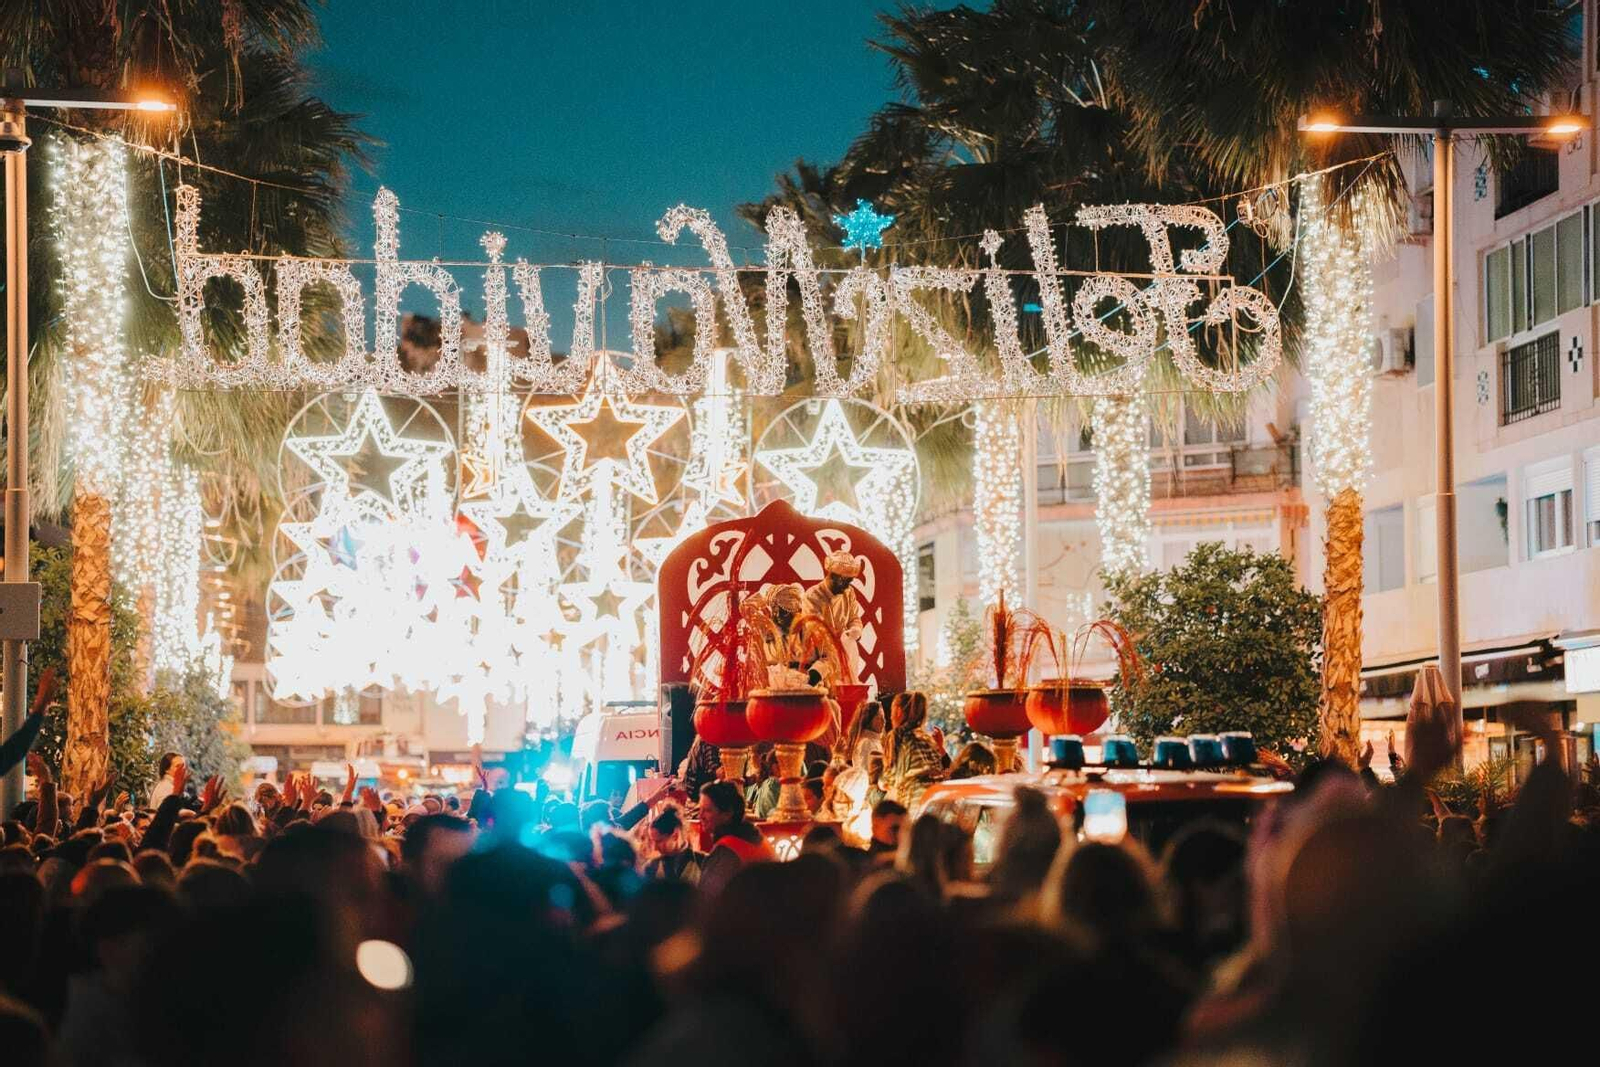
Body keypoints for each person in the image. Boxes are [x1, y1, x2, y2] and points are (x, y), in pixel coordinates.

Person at [696, 780, 772, 897]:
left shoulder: (728, 851)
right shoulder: (752, 834)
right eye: (699, 809)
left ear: (728, 813)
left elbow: (707, 900)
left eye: (707, 810)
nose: (700, 816)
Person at [803, 551, 864, 684]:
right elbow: (815, 631)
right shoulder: (812, 596)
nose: (848, 585)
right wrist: (838, 643)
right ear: (833, 576)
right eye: (845, 580)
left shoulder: (849, 593)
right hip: (819, 656)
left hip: (844, 656)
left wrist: (855, 629)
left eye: (850, 581)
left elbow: (854, 618)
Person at [879, 691, 944, 812]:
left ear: (898, 711)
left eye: (892, 711)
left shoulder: (898, 735)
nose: (890, 717)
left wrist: (880, 782)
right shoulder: (927, 738)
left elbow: (892, 777)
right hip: (934, 805)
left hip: (912, 804)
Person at [641, 805, 702, 883]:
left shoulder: (703, 863)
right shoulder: (651, 867)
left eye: (659, 841)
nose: (655, 847)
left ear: (675, 835)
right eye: (653, 841)